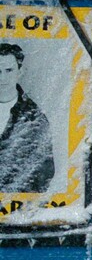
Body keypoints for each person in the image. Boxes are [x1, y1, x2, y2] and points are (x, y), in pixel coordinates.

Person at [0, 42, 55, 193]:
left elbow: (43, 173)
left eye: (9, 70)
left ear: (20, 71)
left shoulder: (34, 117)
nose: (2, 77)